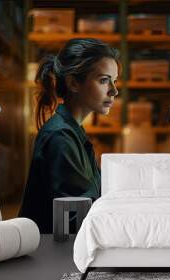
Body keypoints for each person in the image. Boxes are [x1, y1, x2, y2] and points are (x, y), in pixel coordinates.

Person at [19, 39, 120, 233]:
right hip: (51, 253)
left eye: (114, 81)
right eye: (104, 80)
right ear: (73, 83)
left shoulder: (73, 130)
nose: (114, 91)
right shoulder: (60, 137)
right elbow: (82, 215)